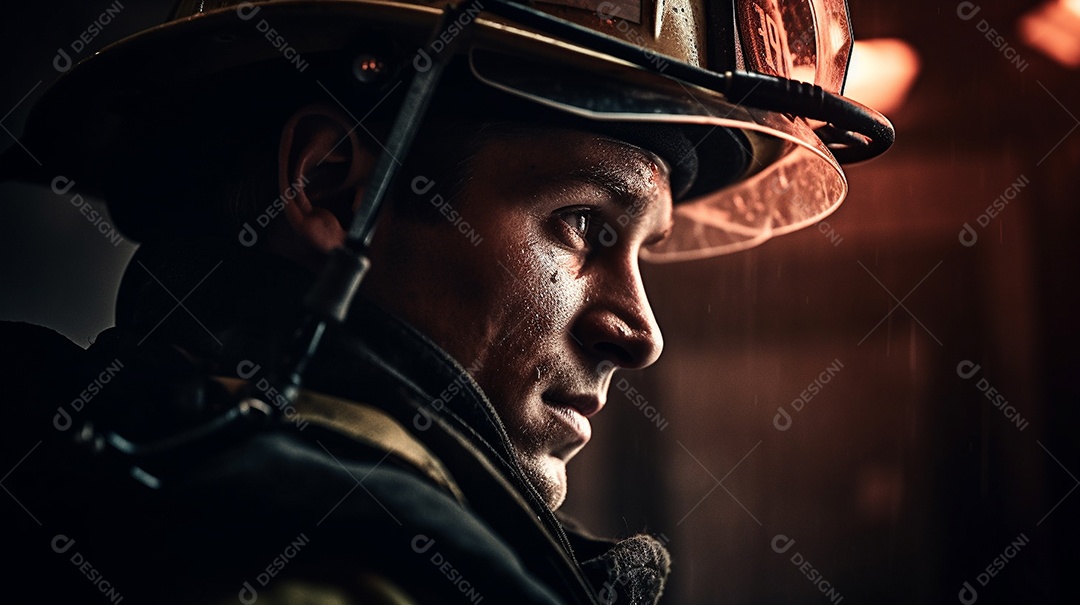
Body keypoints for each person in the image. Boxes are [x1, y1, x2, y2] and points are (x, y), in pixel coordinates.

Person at [0, 1, 892, 603]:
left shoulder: (103, 482)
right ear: (327, 184)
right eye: (585, 224)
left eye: (643, 250)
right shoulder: (321, 564)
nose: (640, 331)